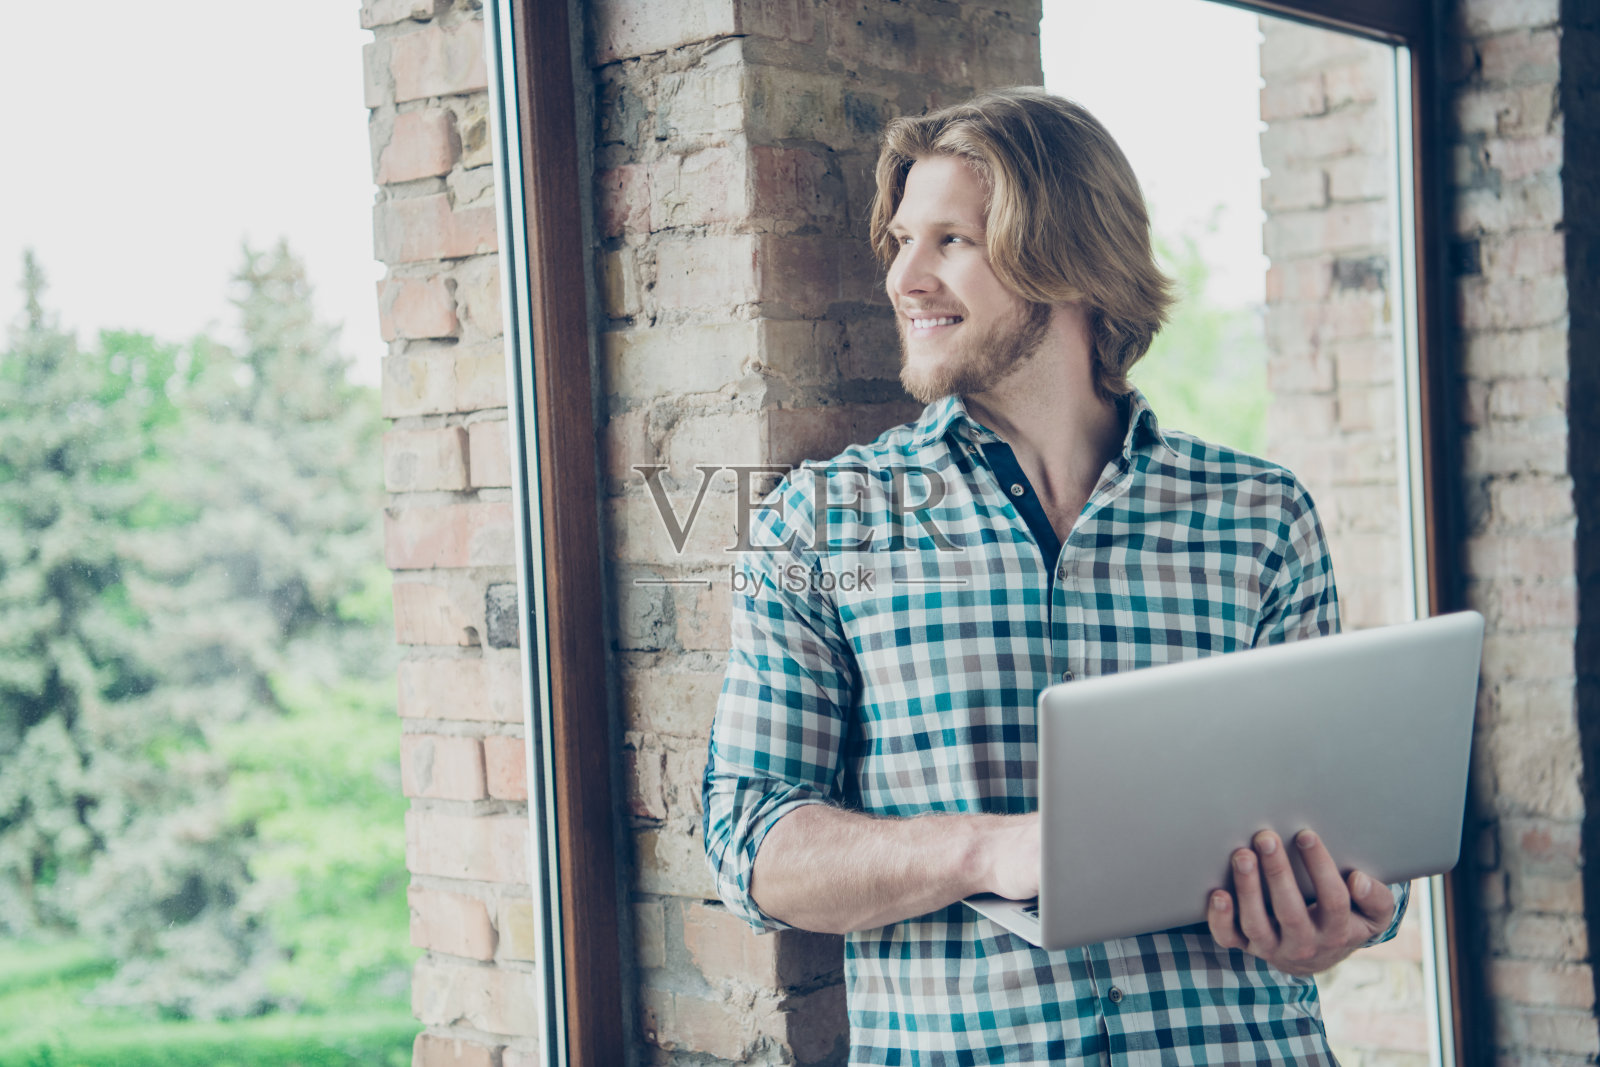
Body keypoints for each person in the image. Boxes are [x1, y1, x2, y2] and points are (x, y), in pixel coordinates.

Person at [702, 87, 1407, 1065]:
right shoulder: (823, 523)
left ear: (1067, 257)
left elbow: (1355, 828)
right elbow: (751, 844)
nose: (905, 276)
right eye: (900, 240)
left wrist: (1340, 910)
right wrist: (992, 850)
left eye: (950, 240)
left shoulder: (1259, 516)